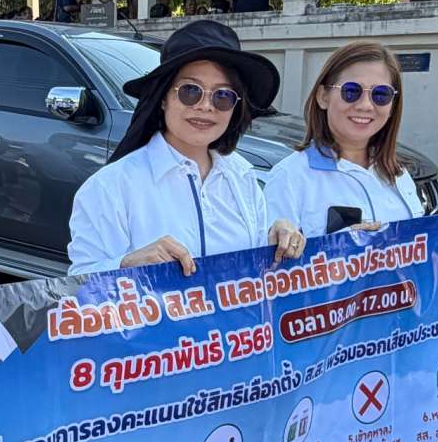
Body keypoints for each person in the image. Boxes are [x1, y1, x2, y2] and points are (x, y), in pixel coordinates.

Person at [68, 19, 304, 275]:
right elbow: (82, 282)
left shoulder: (242, 177)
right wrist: (126, 265)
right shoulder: (110, 187)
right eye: (190, 91)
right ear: (163, 98)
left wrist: (276, 238)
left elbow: (256, 271)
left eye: (223, 95)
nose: (206, 106)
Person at [266, 41, 438, 244]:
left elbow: (425, 255)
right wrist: (338, 248)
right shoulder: (289, 178)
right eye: (351, 91)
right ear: (323, 96)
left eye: (381, 95)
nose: (366, 105)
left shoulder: (398, 175)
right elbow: (267, 276)